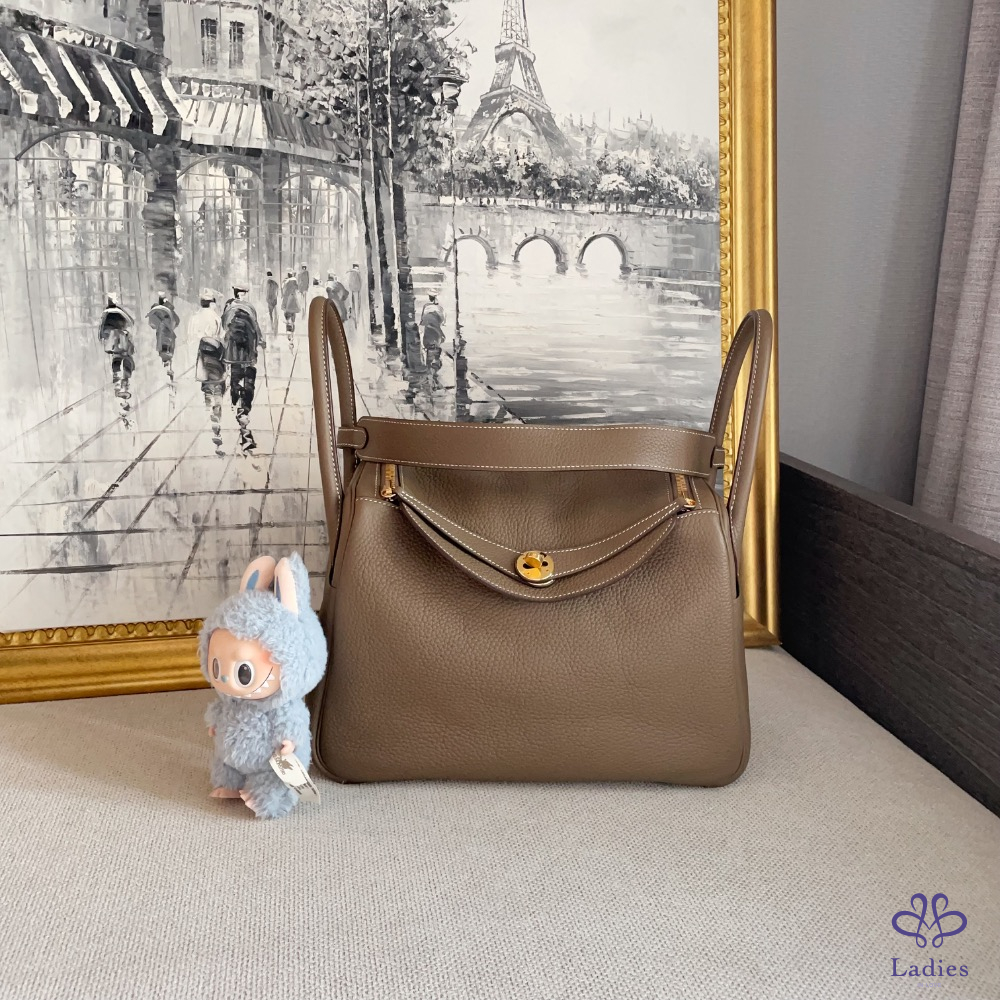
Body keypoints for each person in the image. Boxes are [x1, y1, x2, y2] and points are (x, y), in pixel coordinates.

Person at [222, 285, 263, 451]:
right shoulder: (250, 309)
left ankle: (236, 402)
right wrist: (260, 342)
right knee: (249, 381)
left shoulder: (228, 309)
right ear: (243, 294)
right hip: (248, 353)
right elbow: (256, 330)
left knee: (235, 378)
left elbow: (224, 328)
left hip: (233, 354)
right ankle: (244, 410)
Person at [99, 296, 136, 385]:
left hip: (110, 339)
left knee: (116, 356)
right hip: (120, 337)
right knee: (126, 354)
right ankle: (126, 374)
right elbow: (131, 322)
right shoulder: (120, 312)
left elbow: (101, 327)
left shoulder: (106, 313)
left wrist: (103, 338)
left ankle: (116, 373)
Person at [146, 293, 179, 373]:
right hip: (168, 336)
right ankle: (168, 368)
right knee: (168, 352)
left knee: (164, 352)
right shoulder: (170, 311)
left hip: (162, 336)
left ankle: (167, 367)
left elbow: (152, 324)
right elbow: (176, 321)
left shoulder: (156, 311)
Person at [420, 292, 447, 369]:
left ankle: (430, 364)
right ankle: (433, 363)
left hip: (429, 330)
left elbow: (422, 320)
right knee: (435, 345)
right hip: (434, 330)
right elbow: (443, 321)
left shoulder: (426, 306)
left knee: (430, 346)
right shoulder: (440, 308)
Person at [281, 270, 301, 334]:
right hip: (293, 300)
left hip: (287, 300)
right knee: (293, 314)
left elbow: (283, 289)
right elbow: (297, 289)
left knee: (288, 314)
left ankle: (289, 327)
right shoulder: (294, 281)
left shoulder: (285, 282)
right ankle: (292, 326)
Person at [263, 269, 280, 334]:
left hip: (269, 299)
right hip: (274, 299)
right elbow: (277, 289)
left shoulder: (267, 283)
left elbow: (266, 291)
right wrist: (276, 295)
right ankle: (274, 325)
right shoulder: (274, 283)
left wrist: (266, 298)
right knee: (274, 312)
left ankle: (272, 325)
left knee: (270, 313)